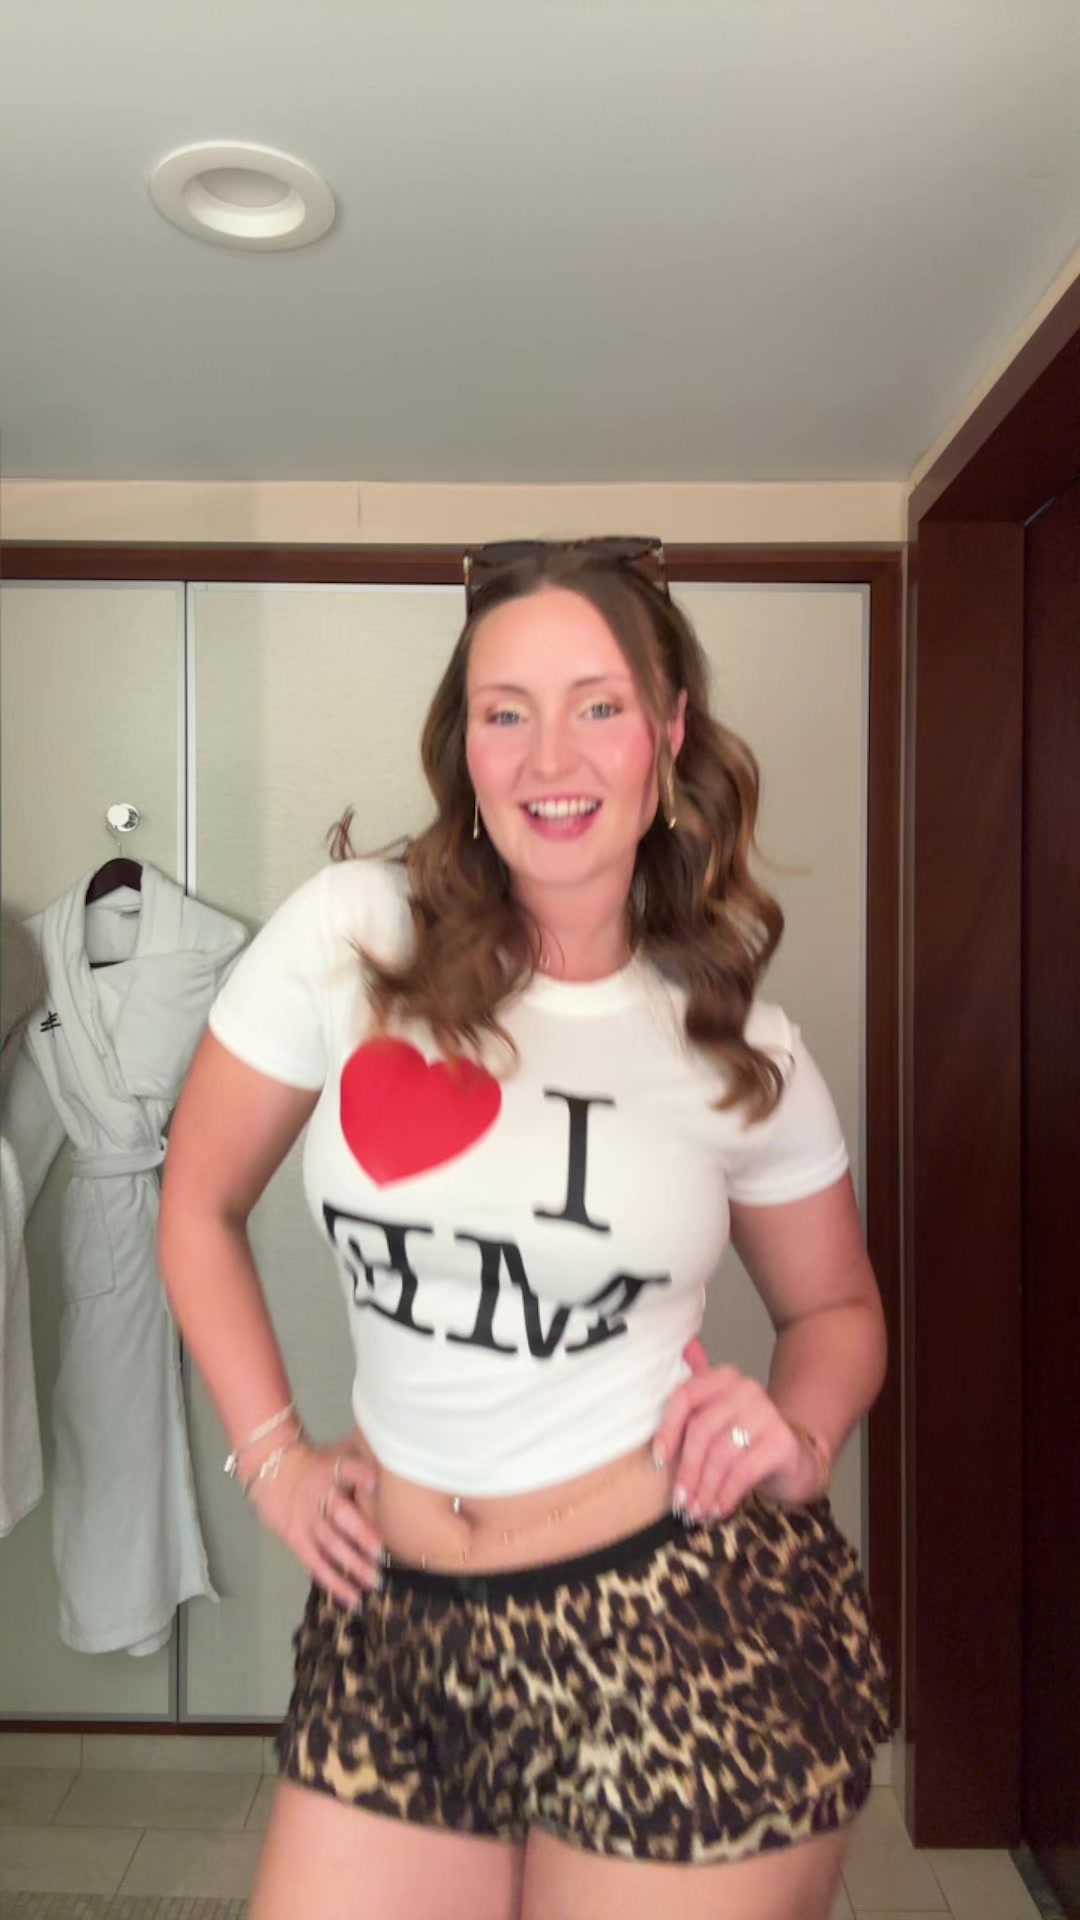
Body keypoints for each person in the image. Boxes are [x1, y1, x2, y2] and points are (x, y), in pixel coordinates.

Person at [159, 536, 890, 1920]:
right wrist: (271, 1462)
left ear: (668, 738)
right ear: (467, 747)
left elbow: (838, 1310)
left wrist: (800, 1437)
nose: (552, 755)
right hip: (395, 1636)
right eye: (507, 711)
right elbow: (195, 1201)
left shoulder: (737, 1045)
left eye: (599, 705)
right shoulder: (348, 936)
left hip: (673, 1630)